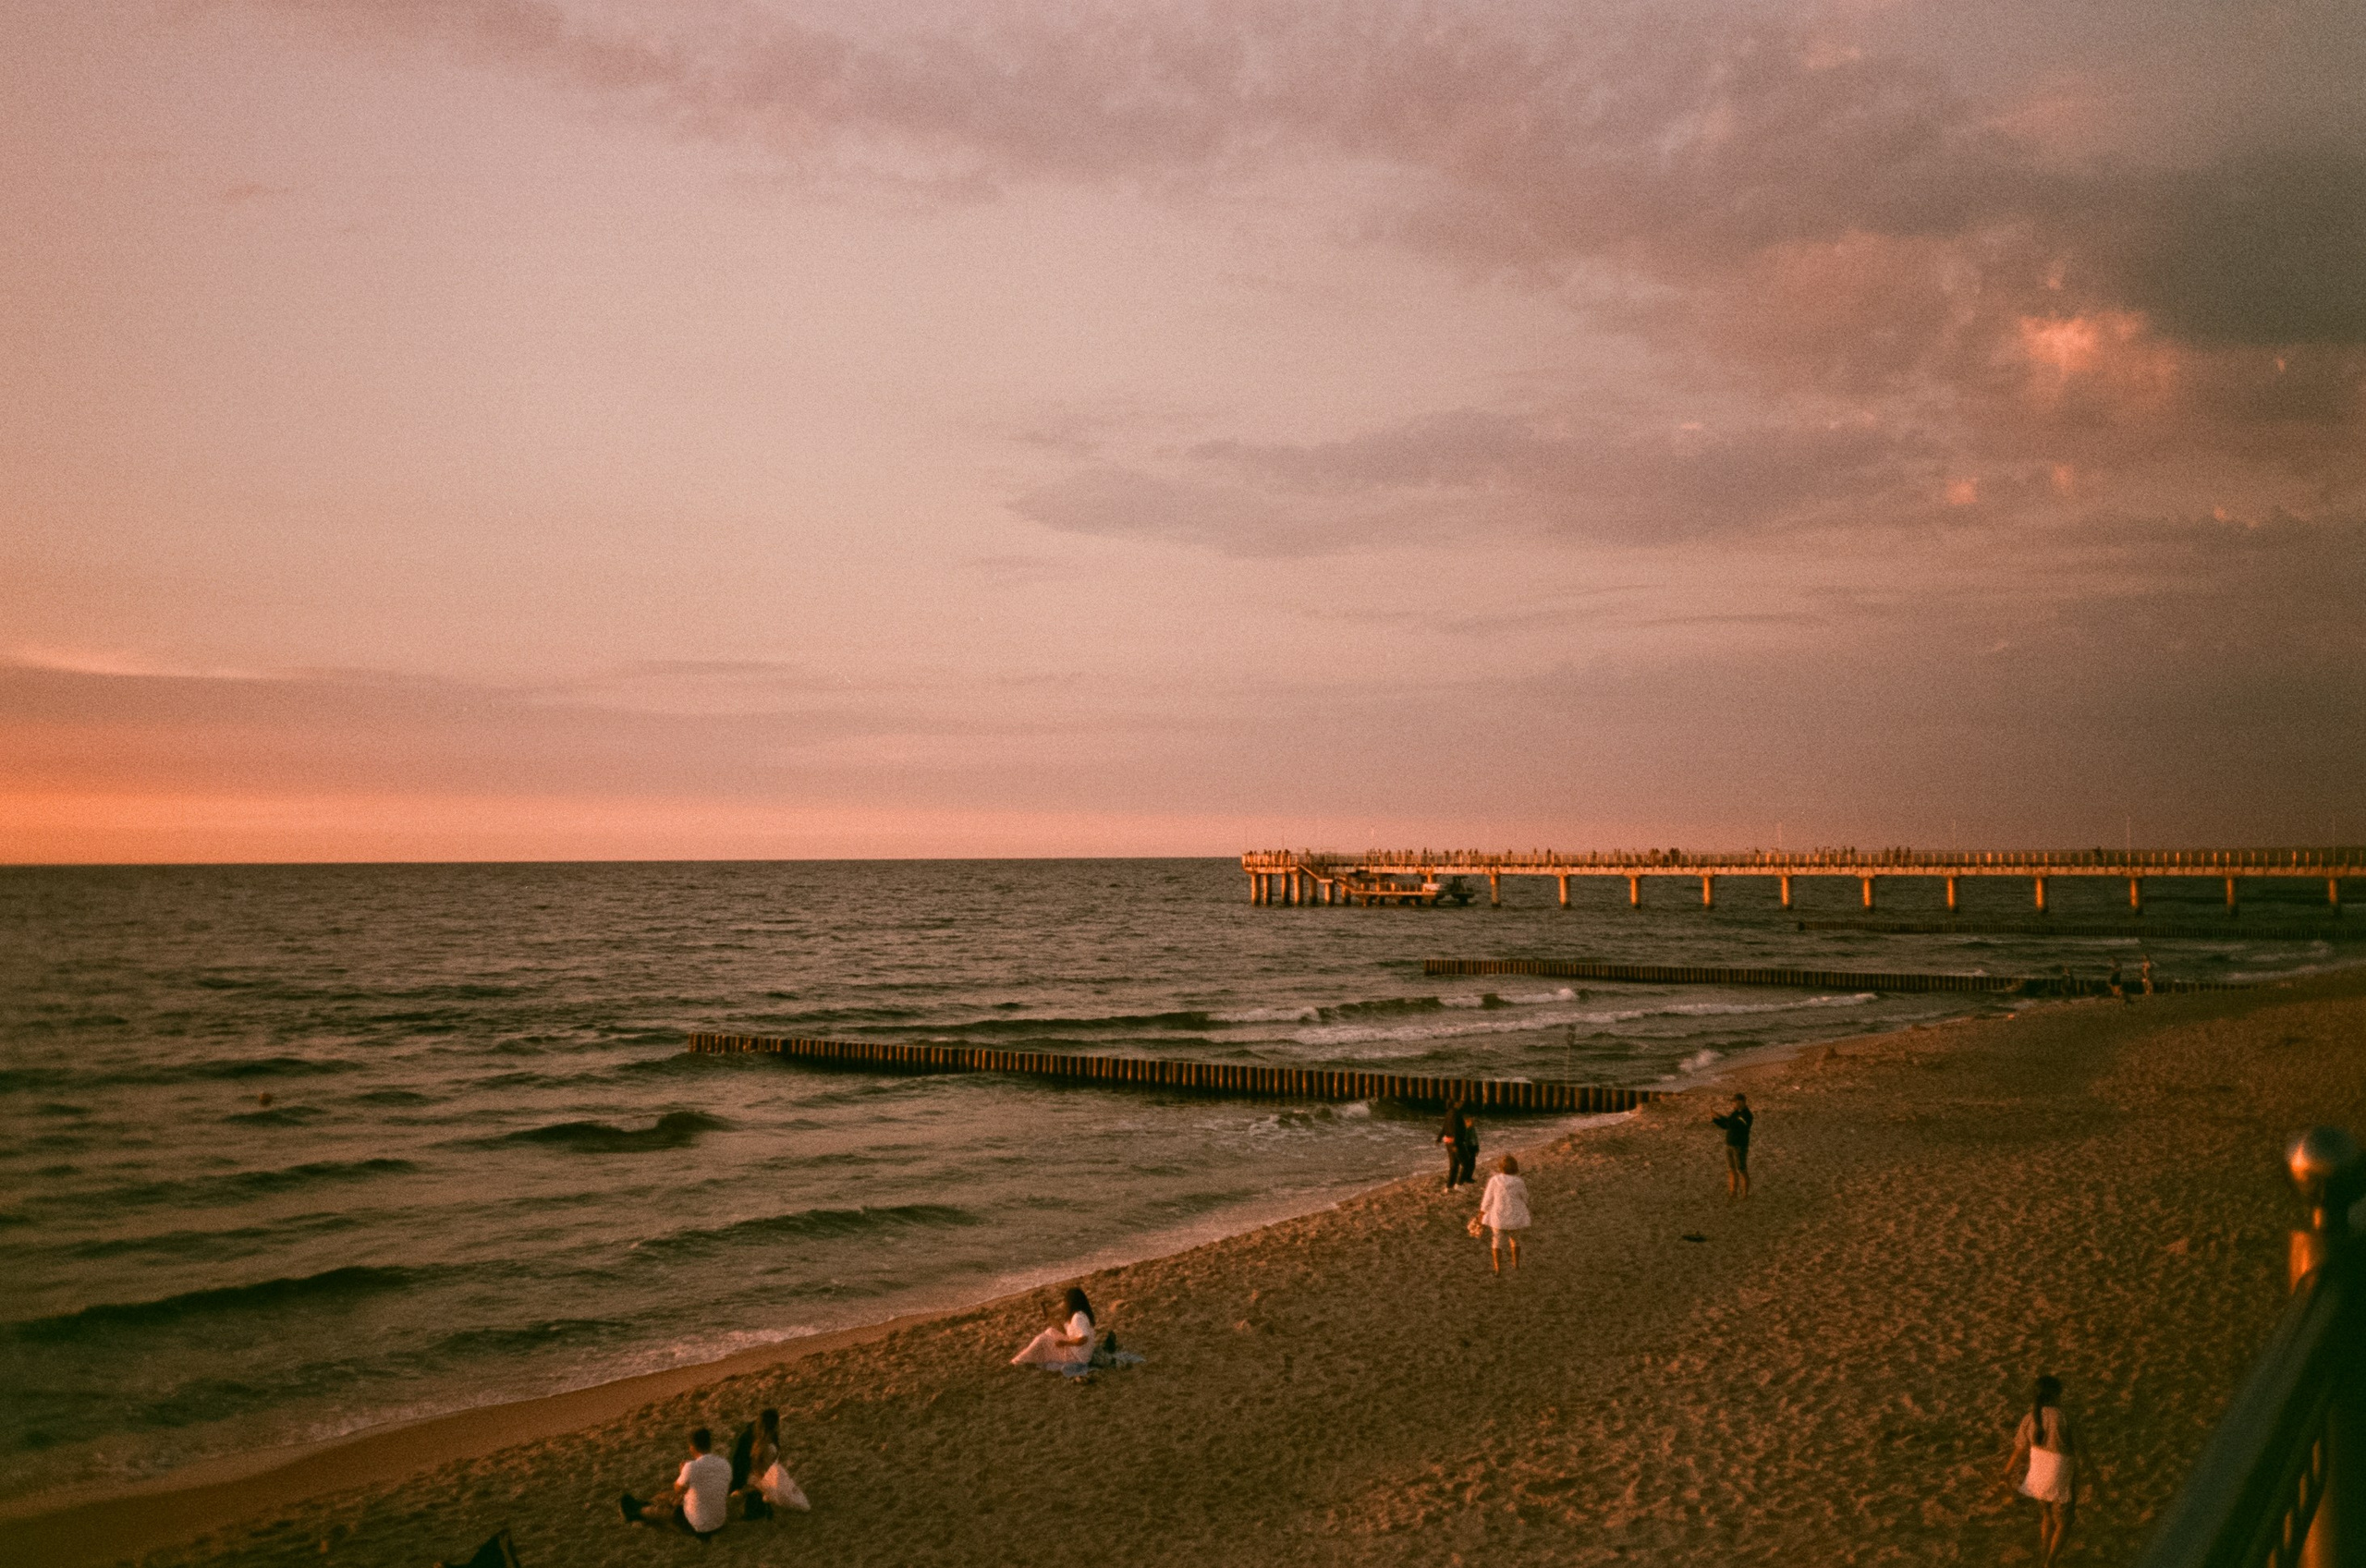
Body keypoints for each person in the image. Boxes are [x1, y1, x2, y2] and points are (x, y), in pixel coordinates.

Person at [2003, 1374, 2088, 1566]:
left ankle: (2043, 1555)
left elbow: (2019, 1450)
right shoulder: (2064, 1417)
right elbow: (2083, 1453)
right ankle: (2050, 1561)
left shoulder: (2030, 1417)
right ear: (2057, 1395)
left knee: (2047, 1515)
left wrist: (2006, 1473)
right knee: (2065, 1522)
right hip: (2060, 1476)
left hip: (2039, 1475)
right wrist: (2097, 1481)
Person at [620, 1426, 732, 1537]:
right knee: (669, 1496)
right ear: (710, 1444)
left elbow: (678, 1489)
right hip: (719, 1522)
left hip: (697, 1527)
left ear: (692, 1448)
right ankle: (646, 1503)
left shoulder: (691, 1467)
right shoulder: (725, 1464)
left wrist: (682, 1472)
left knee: (667, 1512)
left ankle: (638, 1511)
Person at [732, 1406, 809, 1517]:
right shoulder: (768, 1445)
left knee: (794, 1496)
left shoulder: (757, 1440)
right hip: (764, 1476)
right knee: (799, 1503)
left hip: (756, 1476)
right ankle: (751, 1490)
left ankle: (751, 1489)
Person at [1011, 1286, 1097, 1376]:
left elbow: (1083, 1339)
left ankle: (1018, 1361)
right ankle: (1027, 1357)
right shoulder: (1080, 1314)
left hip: (1078, 1357)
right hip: (1080, 1353)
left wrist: (1065, 1343)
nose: (1064, 1303)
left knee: (1042, 1339)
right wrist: (1049, 1317)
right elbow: (1065, 1331)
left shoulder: (1078, 1317)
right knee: (1050, 1331)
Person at [1478, 1154, 1531, 1273]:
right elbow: (1525, 1198)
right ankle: (1515, 1264)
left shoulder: (1494, 1180)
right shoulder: (1519, 1182)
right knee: (1515, 1240)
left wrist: (1482, 1212)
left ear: (1501, 1168)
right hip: (1515, 1215)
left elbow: (1488, 1198)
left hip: (1498, 1216)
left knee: (1497, 1242)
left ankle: (1497, 1268)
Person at [1711, 1092, 1753, 1199]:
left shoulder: (1747, 1115)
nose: (1733, 1104)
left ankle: (1745, 1194)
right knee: (1731, 1169)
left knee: (1742, 1170)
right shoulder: (1735, 1114)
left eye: (1735, 1102)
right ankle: (1732, 1192)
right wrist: (1715, 1119)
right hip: (1729, 1145)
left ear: (1741, 1102)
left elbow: (1734, 1124)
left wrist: (1719, 1115)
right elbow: (1726, 1126)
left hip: (1739, 1146)